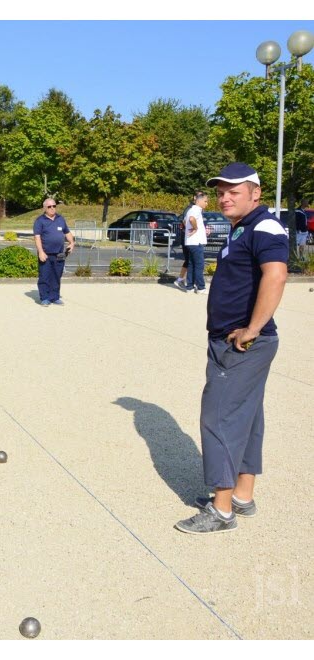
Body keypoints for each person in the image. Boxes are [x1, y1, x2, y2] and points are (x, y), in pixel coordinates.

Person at [175, 163, 288, 535]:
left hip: (242, 343)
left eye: (233, 191)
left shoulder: (264, 226)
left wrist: (252, 328)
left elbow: (277, 273)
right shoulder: (243, 227)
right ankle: (241, 495)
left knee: (219, 417)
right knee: (248, 417)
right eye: (221, 191)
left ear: (255, 193)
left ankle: (221, 511)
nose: (224, 197)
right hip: (241, 341)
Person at [33, 198, 75, 306]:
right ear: (44, 208)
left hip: (60, 253)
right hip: (46, 253)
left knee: (57, 275)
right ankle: (45, 298)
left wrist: (72, 242)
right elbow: (37, 237)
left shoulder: (60, 219)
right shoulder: (40, 221)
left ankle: (55, 297)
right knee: (44, 276)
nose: (52, 208)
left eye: (54, 206)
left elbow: (67, 232)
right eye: (49, 206)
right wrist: (41, 252)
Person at [178, 191, 209, 294]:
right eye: (205, 201)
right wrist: (195, 228)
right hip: (196, 242)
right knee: (199, 265)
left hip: (190, 242)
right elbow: (191, 219)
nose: (206, 203)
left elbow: (184, 221)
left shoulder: (190, 210)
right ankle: (201, 287)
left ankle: (189, 286)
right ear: (199, 201)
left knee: (191, 264)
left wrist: (190, 228)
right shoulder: (196, 210)